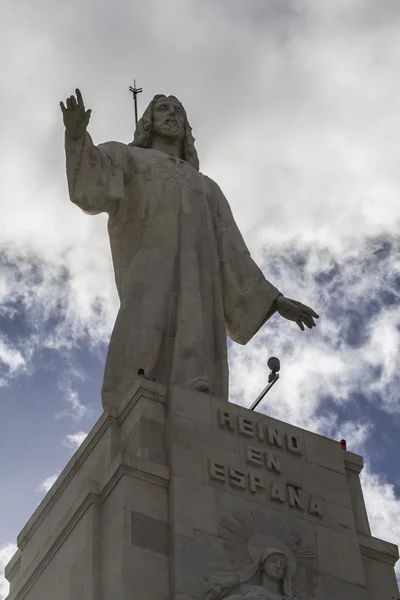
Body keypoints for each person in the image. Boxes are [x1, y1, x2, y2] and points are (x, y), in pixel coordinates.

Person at [61, 89, 319, 410]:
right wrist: (76, 137)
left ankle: (195, 392)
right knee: (144, 327)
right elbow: (92, 183)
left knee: (195, 329)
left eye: (178, 112)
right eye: (164, 110)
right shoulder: (128, 158)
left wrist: (274, 300)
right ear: (149, 122)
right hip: (149, 268)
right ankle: (130, 400)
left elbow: (233, 252)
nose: (172, 115)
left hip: (200, 282)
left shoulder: (207, 187)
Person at [204, 548, 295, 600]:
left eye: (282, 564)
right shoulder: (246, 589)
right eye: (273, 561)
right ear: (261, 565)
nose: (278, 566)